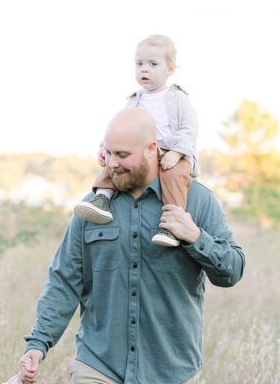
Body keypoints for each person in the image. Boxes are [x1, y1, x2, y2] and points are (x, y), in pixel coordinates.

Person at [21, 108, 244, 384]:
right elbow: (65, 279)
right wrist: (38, 343)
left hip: (170, 366)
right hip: (100, 363)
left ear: (152, 149)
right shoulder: (92, 208)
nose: (112, 163)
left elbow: (233, 270)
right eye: (108, 153)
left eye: (122, 155)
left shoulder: (196, 200)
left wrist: (194, 236)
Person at [74, 34, 199, 247]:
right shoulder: (134, 100)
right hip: (141, 152)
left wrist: (177, 153)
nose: (144, 69)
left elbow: (189, 129)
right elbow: (120, 129)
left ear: (170, 69)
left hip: (170, 153)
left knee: (175, 176)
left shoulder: (177, 98)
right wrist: (106, 147)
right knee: (117, 161)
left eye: (153, 64)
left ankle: (171, 226)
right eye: (139, 63)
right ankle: (102, 198)